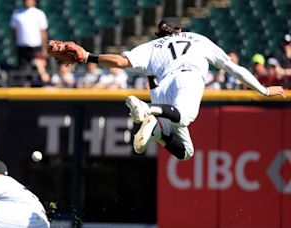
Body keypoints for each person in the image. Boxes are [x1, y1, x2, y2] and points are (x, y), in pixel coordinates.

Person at [49, 20, 286, 160]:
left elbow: (121, 62)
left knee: (186, 152)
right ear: (179, 29)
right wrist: (263, 91)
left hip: (161, 92)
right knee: (184, 117)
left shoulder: (151, 46)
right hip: (185, 80)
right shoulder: (198, 39)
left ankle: (157, 130)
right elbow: (233, 68)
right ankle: (147, 110)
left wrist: (89, 56)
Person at [10, 0, 48, 71]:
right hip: (22, 47)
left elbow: (43, 33)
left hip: (35, 47)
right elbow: (13, 32)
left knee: (38, 69)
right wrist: (13, 46)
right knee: (23, 70)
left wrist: (44, 49)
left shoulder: (39, 14)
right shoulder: (17, 14)